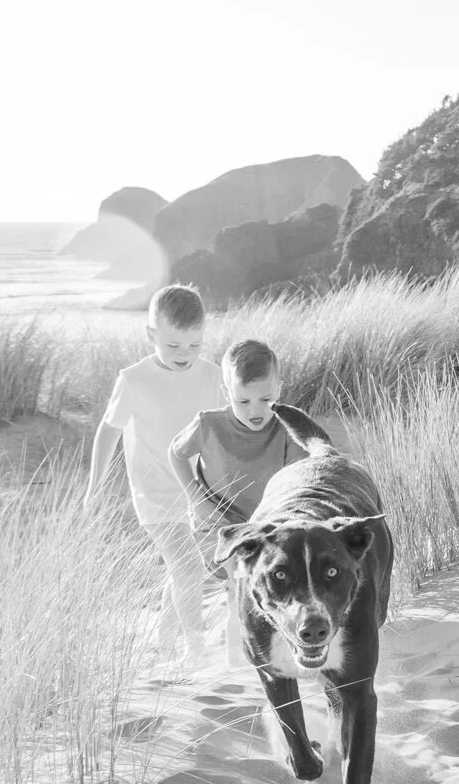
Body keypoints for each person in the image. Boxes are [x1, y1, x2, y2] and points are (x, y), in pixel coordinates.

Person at [84, 284, 224, 664]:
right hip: (154, 496)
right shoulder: (134, 379)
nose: (185, 355)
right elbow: (108, 430)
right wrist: (94, 488)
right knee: (190, 569)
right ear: (151, 335)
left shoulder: (212, 376)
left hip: (198, 494)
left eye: (194, 345)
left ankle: (164, 637)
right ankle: (197, 653)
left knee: (183, 571)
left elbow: (222, 430)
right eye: (174, 345)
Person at [166, 338, 308, 664]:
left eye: (266, 399)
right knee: (241, 584)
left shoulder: (286, 429)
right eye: (243, 401)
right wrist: (195, 497)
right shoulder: (208, 425)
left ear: (279, 389)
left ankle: (263, 652)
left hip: (264, 524)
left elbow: (300, 475)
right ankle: (238, 665)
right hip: (214, 522)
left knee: (275, 583)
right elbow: (175, 454)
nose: (255, 410)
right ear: (226, 392)